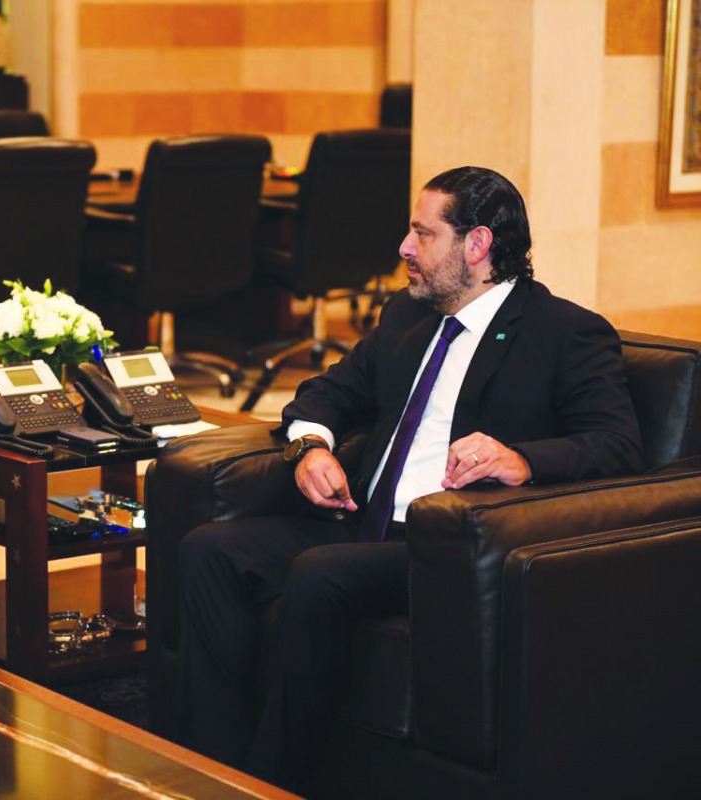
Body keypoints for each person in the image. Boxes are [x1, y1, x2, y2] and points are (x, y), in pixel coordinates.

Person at [174, 166, 644, 790]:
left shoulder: (565, 333)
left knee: (320, 573)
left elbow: (617, 446)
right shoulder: (408, 315)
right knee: (209, 549)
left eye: (423, 234)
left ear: (476, 246)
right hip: (360, 522)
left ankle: (272, 781)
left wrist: (522, 460)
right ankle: (205, 768)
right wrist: (309, 447)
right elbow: (327, 391)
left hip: (445, 549)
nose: (404, 248)